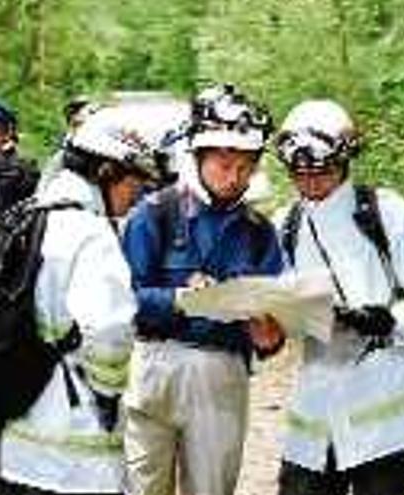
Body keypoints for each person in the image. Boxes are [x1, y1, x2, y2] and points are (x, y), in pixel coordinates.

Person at [272, 100, 404, 495]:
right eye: (300, 175)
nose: (311, 184)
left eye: (321, 173)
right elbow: (273, 302)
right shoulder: (285, 224)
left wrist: (393, 320)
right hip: (317, 407)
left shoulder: (385, 211)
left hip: (386, 411)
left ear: (344, 163)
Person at [121, 84, 286, 495]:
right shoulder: (154, 214)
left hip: (222, 372)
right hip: (154, 366)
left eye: (247, 166)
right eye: (225, 164)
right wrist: (182, 299)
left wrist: (268, 334)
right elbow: (122, 303)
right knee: (141, 487)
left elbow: (272, 330)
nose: (235, 178)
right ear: (197, 155)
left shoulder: (259, 232)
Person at [0, 118, 160, 495]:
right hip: (70, 454)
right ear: (106, 172)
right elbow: (110, 335)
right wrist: (108, 395)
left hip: (9, 443)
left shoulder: (27, 215)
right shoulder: (92, 233)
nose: (136, 195)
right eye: (133, 183)